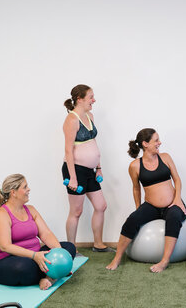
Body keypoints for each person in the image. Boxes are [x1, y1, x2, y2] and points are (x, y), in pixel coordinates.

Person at [106, 128, 186, 273]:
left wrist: (178, 199)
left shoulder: (166, 157)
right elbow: (136, 188)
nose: (159, 143)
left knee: (174, 217)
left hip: (172, 204)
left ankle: (164, 261)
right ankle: (117, 258)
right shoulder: (135, 166)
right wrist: (138, 208)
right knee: (132, 220)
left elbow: (177, 180)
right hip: (151, 206)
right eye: (156, 140)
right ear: (145, 144)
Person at [0, 174, 76, 290]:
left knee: (68, 247)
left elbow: (46, 234)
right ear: (13, 192)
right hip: (4, 261)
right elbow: (5, 246)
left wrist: (61, 256)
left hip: (35, 256)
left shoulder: (31, 209)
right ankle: (54, 273)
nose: (29, 189)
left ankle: (49, 278)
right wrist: (34, 256)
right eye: (25, 187)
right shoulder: (1, 215)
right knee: (24, 267)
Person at [63, 84, 112, 252]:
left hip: (90, 171)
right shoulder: (72, 119)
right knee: (76, 211)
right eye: (91, 97)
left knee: (101, 206)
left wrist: (98, 167)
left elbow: (93, 142)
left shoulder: (90, 115)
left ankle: (98, 244)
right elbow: (68, 150)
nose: (94, 100)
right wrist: (73, 177)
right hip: (75, 170)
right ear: (80, 99)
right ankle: (72, 248)